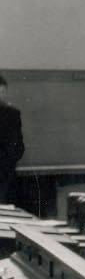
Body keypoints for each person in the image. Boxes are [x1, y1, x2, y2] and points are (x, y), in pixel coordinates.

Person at [0, 74, 22, 205]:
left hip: (4, 173)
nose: (0, 96)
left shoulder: (12, 114)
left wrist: (6, 164)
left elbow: (18, 147)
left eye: (2, 92)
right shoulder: (12, 113)